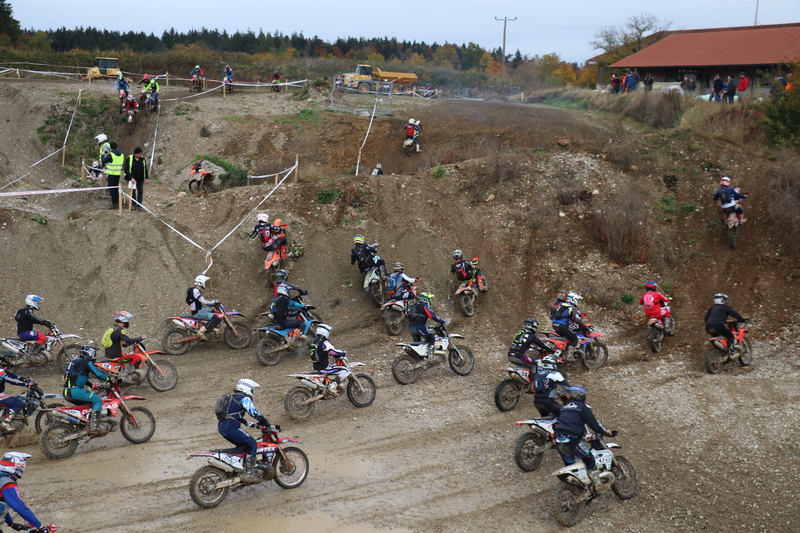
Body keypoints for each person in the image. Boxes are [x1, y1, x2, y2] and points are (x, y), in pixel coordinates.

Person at [554, 385, 614, 486]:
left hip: (559, 440)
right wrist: (605, 432)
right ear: (582, 396)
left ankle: (577, 487)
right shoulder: (582, 408)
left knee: (570, 466)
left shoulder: (564, 408)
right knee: (590, 459)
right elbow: (594, 425)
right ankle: (597, 484)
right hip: (572, 440)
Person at [217, 379, 275, 483]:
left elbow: (237, 417)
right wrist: (267, 424)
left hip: (223, 428)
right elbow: (254, 413)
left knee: (243, 446)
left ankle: (239, 469)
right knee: (252, 444)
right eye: (253, 390)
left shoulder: (232, 397)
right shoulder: (244, 398)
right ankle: (249, 473)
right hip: (232, 428)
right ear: (248, 388)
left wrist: (255, 425)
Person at [63, 345, 111, 434]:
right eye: (94, 353)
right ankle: (94, 426)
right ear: (90, 353)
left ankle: (83, 425)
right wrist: (109, 379)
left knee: (87, 405)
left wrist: (92, 385)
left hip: (67, 391)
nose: (95, 356)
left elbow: (79, 378)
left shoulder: (77, 363)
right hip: (75, 391)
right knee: (97, 400)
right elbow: (98, 374)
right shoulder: (87, 362)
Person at [0, 452, 51, 532]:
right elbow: (19, 507)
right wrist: (40, 527)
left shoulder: (2, 478)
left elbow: (1, 504)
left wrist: (11, 523)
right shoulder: (7, 483)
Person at [507, 318, 554, 386]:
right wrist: (551, 349)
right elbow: (542, 344)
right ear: (533, 326)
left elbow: (522, 343)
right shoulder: (532, 336)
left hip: (510, 355)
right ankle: (533, 384)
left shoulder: (520, 332)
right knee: (534, 365)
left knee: (525, 364)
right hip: (518, 356)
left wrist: (534, 347)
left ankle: (522, 382)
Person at [309, 324, 351, 393]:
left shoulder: (315, 341)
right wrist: (342, 352)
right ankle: (333, 386)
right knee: (345, 370)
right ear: (325, 332)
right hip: (324, 368)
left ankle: (328, 384)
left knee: (334, 366)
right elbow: (333, 350)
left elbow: (321, 351)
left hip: (317, 367)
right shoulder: (324, 342)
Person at [550, 291, 590, 358]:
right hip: (562, 326)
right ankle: (569, 356)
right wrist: (585, 327)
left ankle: (563, 351)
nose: (577, 302)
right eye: (577, 300)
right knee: (574, 339)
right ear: (573, 299)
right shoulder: (571, 307)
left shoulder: (561, 305)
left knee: (567, 336)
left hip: (554, 325)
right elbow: (577, 319)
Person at [407, 292, 446, 356]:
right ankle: (431, 355)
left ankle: (418, 358)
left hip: (411, 327)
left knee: (417, 343)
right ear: (426, 299)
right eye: (430, 299)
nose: (430, 300)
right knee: (431, 338)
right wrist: (441, 321)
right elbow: (431, 315)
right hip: (420, 327)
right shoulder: (425, 305)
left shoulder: (414, 305)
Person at [186, 275, 222, 341]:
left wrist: (210, 304)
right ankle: (201, 332)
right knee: (216, 318)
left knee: (213, 312)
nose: (206, 283)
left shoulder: (195, 289)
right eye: (205, 282)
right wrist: (214, 301)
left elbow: (201, 300)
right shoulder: (195, 291)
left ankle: (211, 328)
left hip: (199, 310)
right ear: (201, 282)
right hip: (198, 312)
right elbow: (203, 301)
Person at [101, 141, 125, 209]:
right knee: (116, 188)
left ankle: (114, 203)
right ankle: (117, 202)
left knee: (112, 189)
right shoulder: (122, 155)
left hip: (111, 174)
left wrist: (103, 155)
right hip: (118, 173)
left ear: (110, 147)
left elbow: (104, 160)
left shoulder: (111, 155)